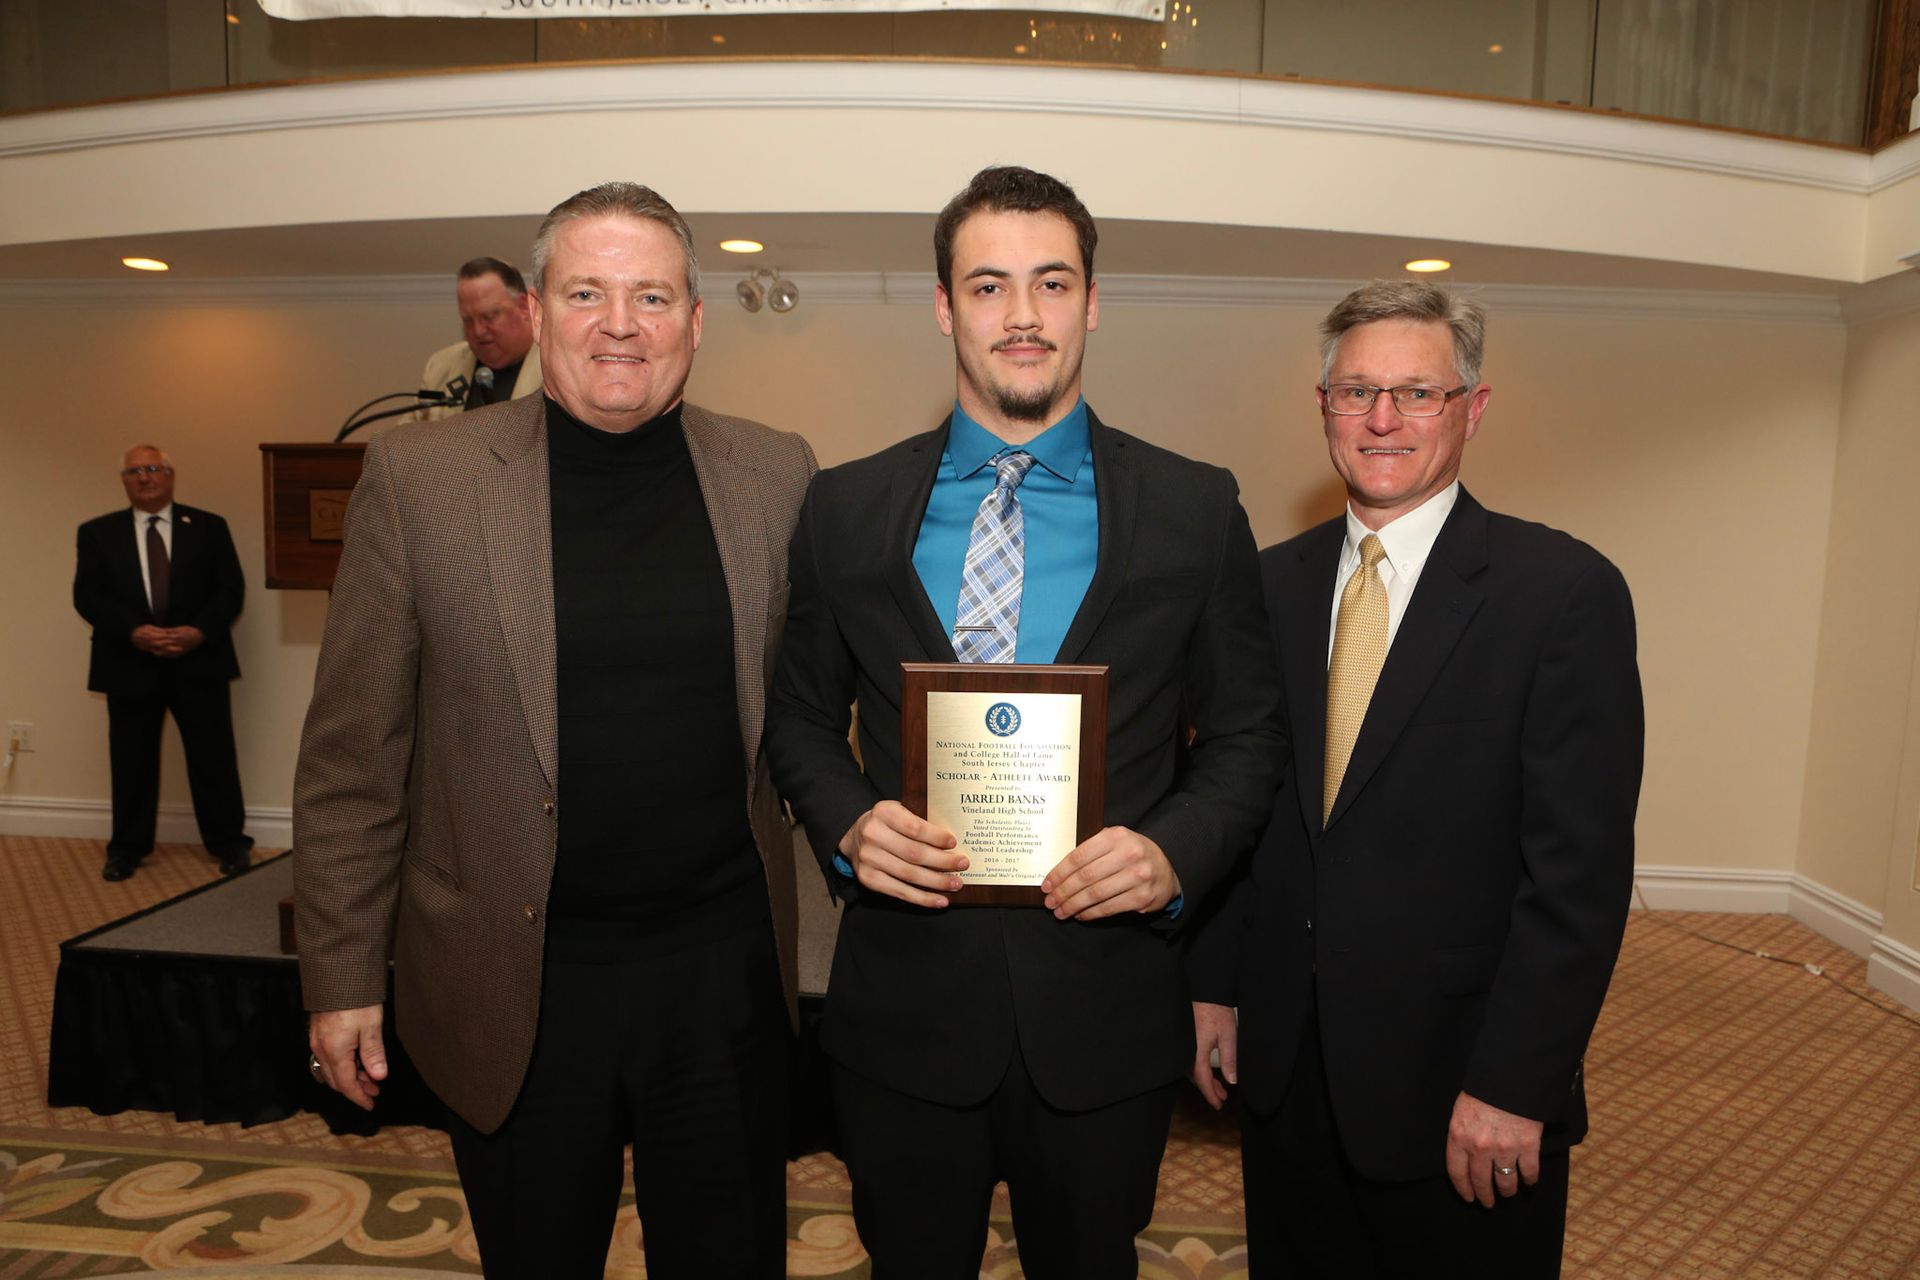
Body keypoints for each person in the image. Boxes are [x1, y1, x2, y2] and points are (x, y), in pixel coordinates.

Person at [765, 165, 1283, 1280]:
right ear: (946, 306)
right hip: (903, 1013)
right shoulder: (846, 506)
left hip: (1103, 1017)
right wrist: (852, 825)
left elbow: (1249, 738)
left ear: (1092, 300)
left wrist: (1172, 854)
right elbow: (799, 715)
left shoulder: (1195, 507)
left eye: (1052, 282)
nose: (1024, 314)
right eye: (990, 285)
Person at [293, 183, 815, 1279]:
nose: (619, 324)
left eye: (651, 295)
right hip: (516, 985)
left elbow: (812, 707)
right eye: (586, 291)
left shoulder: (776, 475)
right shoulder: (420, 481)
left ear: (695, 320)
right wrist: (342, 971)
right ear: (537, 309)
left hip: (719, 975)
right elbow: (354, 759)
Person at [1186, 280, 1644, 1278]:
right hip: (1288, 1075)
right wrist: (1215, 987)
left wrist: (1516, 1082)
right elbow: (1240, 801)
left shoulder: (1562, 596)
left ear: (1472, 409)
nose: (1382, 419)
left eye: (1415, 393)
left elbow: (1580, 875)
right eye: (1356, 392)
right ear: (1323, 409)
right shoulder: (1266, 586)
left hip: (1461, 1094)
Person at [74, 446, 252, 882]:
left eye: (153, 468)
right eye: (134, 471)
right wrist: (133, 631)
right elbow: (88, 595)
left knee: (213, 758)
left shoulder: (209, 527)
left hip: (199, 661)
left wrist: (199, 631)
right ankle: (127, 850)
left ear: (170, 476)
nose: (144, 477)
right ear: (124, 480)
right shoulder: (98, 532)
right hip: (128, 663)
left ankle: (229, 843)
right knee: (131, 760)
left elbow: (230, 590)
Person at [412, 256, 543, 420]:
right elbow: (406, 435)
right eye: (467, 320)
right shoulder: (441, 366)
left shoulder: (557, 364)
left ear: (524, 306)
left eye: (488, 316)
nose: (478, 331)